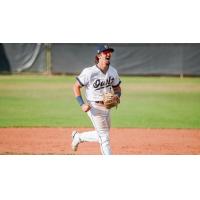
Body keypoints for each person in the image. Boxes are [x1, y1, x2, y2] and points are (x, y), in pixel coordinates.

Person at [72, 44, 121, 155]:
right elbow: (76, 86)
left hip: (107, 107)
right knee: (104, 138)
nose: (108, 54)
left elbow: (117, 88)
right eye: (105, 52)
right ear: (99, 55)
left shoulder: (113, 72)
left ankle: (78, 137)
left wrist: (117, 96)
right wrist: (82, 104)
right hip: (94, 107)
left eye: (109, 52)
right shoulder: (89, 72)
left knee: (103, 134)